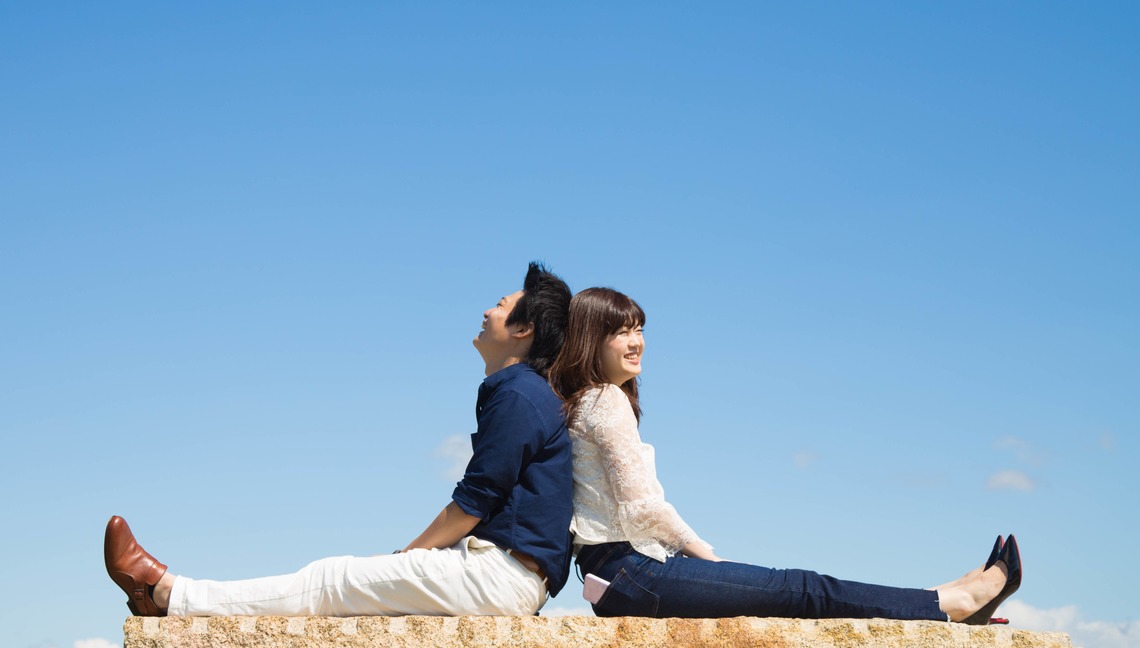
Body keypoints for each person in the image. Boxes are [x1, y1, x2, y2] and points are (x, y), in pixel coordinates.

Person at [105, 262, 574, 618]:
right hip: (498, 571)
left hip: (499, 576)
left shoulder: (520, 395)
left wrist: (408, 555)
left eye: (501, 305)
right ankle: (171, 594)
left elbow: (473, 501)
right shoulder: (524, 393)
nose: (487, 311)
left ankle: (168, 594)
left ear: (523, 329)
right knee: (342, 582)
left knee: (330, 579)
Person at [547, 287, 1022, 623]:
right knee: (799, 588)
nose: (637, 342)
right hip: (634, 570)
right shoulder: (605, 400)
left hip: (618, 576)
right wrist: (710, 558)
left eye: (639, 328)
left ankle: (938, 596)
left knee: (798, 587)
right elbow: (642, 509)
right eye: (621, 332)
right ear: (592, 340)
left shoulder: (584, 402)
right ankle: (950, 603)